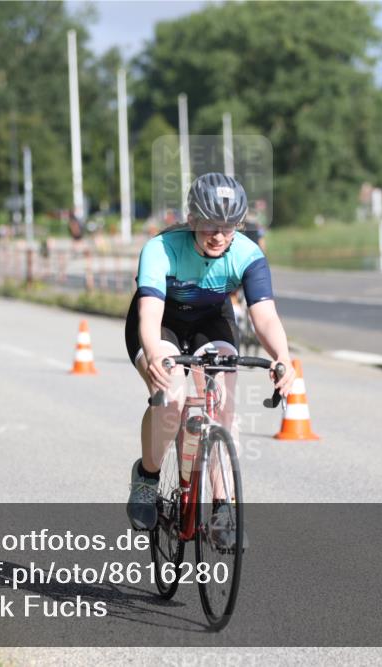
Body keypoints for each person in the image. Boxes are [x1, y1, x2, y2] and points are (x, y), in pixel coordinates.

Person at [125, 173, 296, 538]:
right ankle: (147, 476)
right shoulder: (161, 248)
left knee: (224, 408)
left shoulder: (247, 254)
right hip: (162, 322)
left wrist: (283, 355)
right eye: (209, 227)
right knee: (170, 397)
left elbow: (263, 315)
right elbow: (150, 312)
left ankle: (222, 509)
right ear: (192, 220)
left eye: (229, 227)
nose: (219, 236)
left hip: (210, 321)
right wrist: (154, 352)